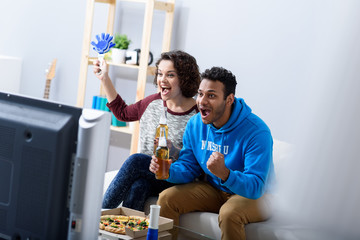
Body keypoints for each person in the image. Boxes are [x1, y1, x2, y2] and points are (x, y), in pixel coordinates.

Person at [150, 66, 275, 240]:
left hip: (258, 196)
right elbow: (188, 166)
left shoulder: (256, 132)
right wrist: (167, 171)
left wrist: (225, 174)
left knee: (230, 213)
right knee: (167, 199)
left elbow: (255, 187)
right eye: (200, 94)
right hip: (216, 189)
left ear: (229, 99)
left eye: (211, 95)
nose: (202, 101)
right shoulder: (195, 125)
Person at [93, 50, 200, 211]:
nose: (162, 79)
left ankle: (97, 215)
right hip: (149, 175)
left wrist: (174, 151)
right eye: (160, 74)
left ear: (184, 79)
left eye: (170, 75)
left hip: (175, 178)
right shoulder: (152, 103)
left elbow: (198, 159)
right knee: (139, 186)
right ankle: (123, 233)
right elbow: (122, 113)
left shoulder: (198, 115)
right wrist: (105, 79)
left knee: (135, 160)